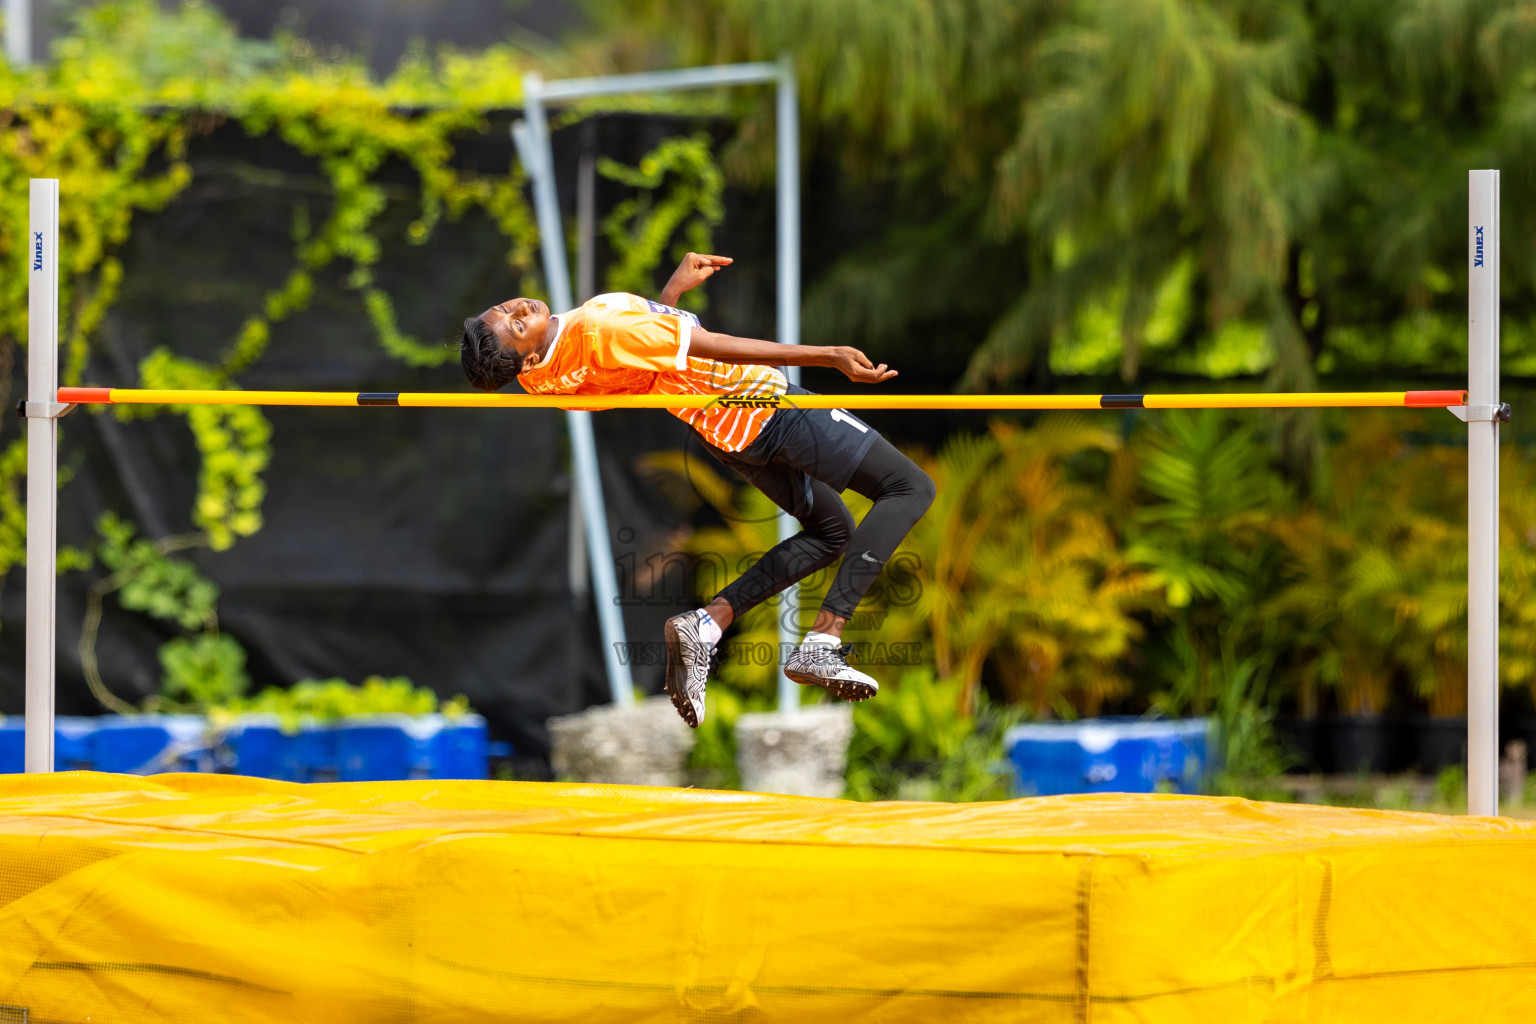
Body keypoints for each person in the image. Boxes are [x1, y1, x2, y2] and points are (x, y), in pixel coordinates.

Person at [460, 253, 934, 728]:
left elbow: (652, 363)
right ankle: (823, 644)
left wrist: (670, 297)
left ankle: (707, 624)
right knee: (908, 488)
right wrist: (826, 356)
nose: (519, 309)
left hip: (730, 435)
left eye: (506, 308)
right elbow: (711, 346)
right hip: (768, 406)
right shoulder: (599, 324)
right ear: (531, 354)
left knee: (830, 532)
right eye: (516, 326)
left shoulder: (542, 379)